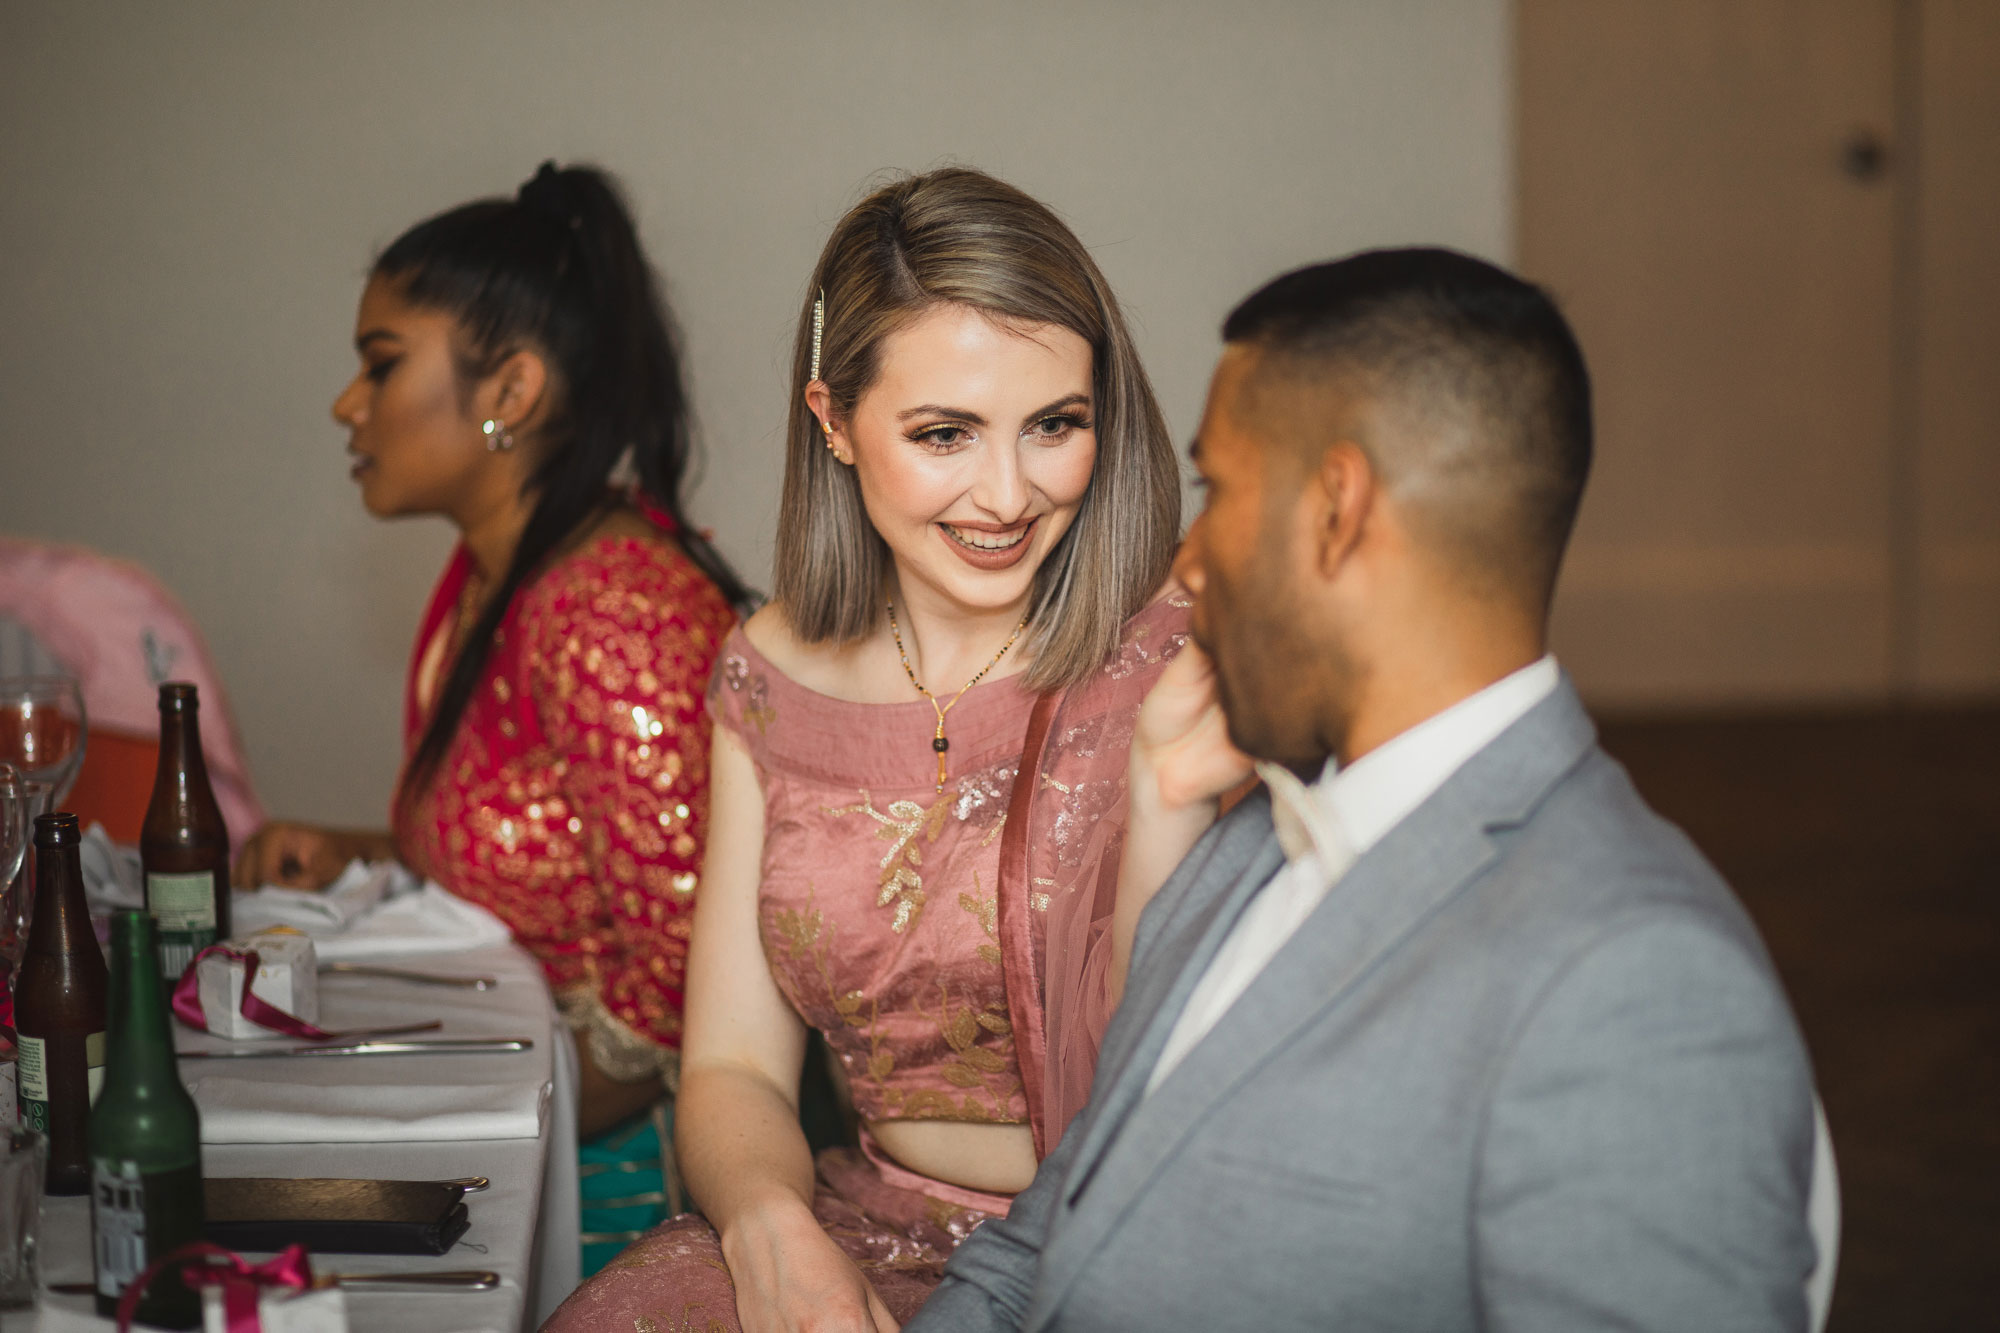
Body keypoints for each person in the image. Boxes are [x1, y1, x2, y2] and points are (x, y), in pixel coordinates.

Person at [911, 248, 1821, 1331]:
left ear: (1335, 510)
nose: (1186, 560)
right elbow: (1047, 1241)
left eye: (1219, 489)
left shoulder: (1635, 979)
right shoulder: (1245, 839)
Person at [543, 167, 1194, 1332]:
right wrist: (769, 1229)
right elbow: (734, 1068)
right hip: (859, 1217)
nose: (1006, 494)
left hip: (1126, 1241)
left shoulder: (1175, 658)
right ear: (833, 422)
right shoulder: (768, 673)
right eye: (944, 433)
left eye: (1054, 424)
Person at [233, 165, 750, 1253]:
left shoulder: (606, 602)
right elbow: (548, 855)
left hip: (621, 1190)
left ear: (510, 393)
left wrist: (473, 1138)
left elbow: (685, 977)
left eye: (380, 365)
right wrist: (353, 850)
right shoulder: (494, 575)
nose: (346, 402)